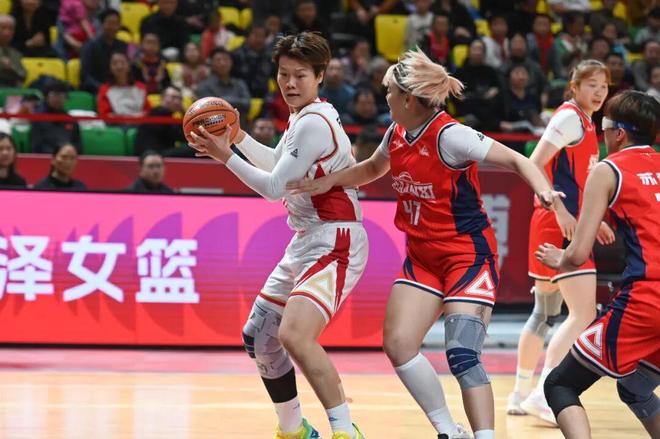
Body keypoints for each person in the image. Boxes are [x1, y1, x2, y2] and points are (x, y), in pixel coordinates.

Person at [287, 48, 563, 439]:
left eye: (389, 91)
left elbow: (519, 160)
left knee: (463, 353)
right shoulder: (396, 132)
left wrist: (544, 191)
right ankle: (449, 430)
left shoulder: (451, 135)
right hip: (422, 257)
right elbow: (372, 168)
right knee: (399, 344)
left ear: (408, 98)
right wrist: (328, 181)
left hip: (467, 257)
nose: (384, 97)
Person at [188, 32, 369, 439]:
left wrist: (225, 155)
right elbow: (278, 167)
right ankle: (294, 430)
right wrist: (238, 138)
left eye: (300, 75)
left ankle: (346, 431)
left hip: (336, 239)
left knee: (294, 335)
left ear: (320, 75)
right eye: (283, 74)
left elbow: (273, 189)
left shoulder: (314, 123)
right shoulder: (303, 117)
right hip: (308, 238)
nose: (289, 83)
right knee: (259, 336)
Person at [536, 90, 660, 439]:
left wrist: (560, 259)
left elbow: (577, 254)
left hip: (646, 301)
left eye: (602, 126)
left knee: (559, 385)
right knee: (635, 387)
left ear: (618, 132)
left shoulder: (608, 169)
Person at [507, 59, 614, 424]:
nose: (598, 92)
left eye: (603, 86)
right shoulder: (570, 118)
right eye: (591, 85)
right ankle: (543, 394)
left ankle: (520, 393)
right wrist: (562, 212)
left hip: (561, 221)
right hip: (558, 224)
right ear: (574, 86)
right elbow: (533, 162)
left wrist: (591, 221)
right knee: (583, 313)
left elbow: (577, 184)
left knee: (545, 313)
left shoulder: (585, 121)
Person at [135, 86, 188, 157]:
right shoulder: (161, 113)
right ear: (162, 98)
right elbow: (182, 136)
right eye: (173, 97)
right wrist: (184, 113)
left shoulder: (162, 113)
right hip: (153, 155)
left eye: (180, 99)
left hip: (158, 152)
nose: (177, 101)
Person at [97, 51, 151, 118]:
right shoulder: (104, 89)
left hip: (140, 123)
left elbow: (147, 112)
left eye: (122, 63)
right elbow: (105, 115)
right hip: (116, 123)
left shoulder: (141, 87)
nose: (119, 67)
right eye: (115, 63)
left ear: (129, 66)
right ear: (110, 68)